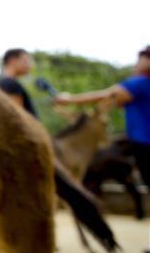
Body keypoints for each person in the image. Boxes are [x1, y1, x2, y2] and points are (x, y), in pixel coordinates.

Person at [56, 46, 150, 223]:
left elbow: (108, 95)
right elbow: (119, 101)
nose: (137, 63)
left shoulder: (140, 83)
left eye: (141, 59)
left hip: (144, 143)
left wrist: (69, 99)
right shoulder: (140, 84)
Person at [0, 47, 37, 117]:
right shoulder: (10, 84)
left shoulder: (3, 84)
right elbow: (17, 116)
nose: (30, 66)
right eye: (25, 61)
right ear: (13, 61)